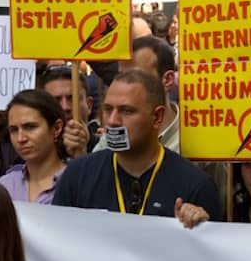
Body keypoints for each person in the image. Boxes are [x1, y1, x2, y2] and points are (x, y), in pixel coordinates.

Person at [52, 69, 220, 228]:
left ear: (157, 117)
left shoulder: (195, 185)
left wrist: (197, 227)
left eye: (126, 111)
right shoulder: (78, 175)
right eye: (108, 109)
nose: (112, 121)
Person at [0, 90, 67, 204]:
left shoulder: (75, 183)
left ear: (56, 128)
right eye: (14, 130)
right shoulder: (5, 186)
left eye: (30, 127)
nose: (21, 138)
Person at [37, 62, 94, 157]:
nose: (65, 107)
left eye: (72, 99)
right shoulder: (30, 157)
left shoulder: (109, 153)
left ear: (89, 105)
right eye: (56, 100)